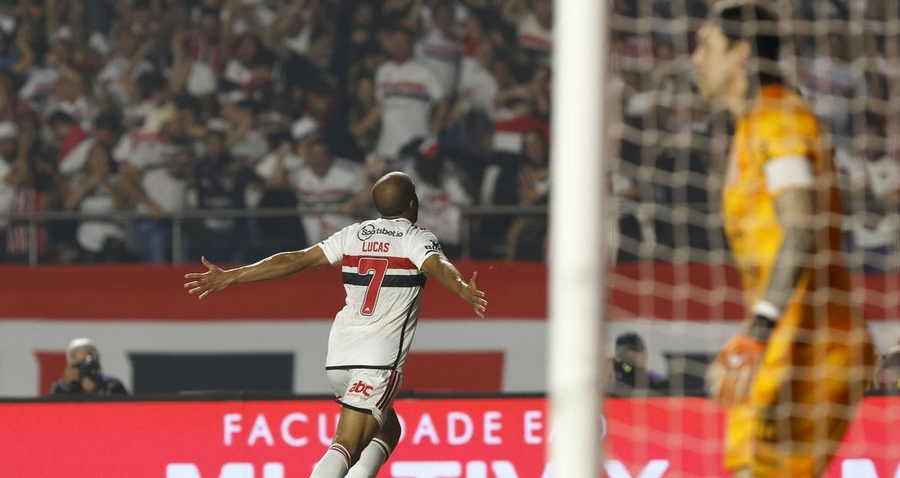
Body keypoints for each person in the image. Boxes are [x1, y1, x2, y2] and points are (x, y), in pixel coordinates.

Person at [184, 171, 487, 477]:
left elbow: (294, 259)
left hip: (340, 359)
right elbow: (440, 266)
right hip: (377, 362)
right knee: (345, 445)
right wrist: (462, 288)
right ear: (413, 203)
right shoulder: (416, 238)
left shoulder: (354, 234)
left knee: (387, 430)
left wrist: (232, 275)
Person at [692, 2, 875, 477]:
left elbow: (802, 224)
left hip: (811, 346)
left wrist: (759, 328)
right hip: (783, 343)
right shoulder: (751, 127)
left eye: (706, 46)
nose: (695, 59)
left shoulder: (779, 117)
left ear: (741, 54)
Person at [49, 338, 129, 395]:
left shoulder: (112, 384)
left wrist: (96, 391)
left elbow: (123, 410)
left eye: (88, 362)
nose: (84, 368)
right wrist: (65, 384)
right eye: (79, 364)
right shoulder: (63, 388)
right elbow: (54, 411)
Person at [607, 332, 667, 397]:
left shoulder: (654, 380)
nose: (630, 359)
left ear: (644, 354)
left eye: (635, 353)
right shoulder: (614, 383)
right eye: (624, 355)